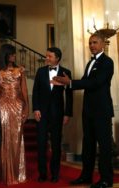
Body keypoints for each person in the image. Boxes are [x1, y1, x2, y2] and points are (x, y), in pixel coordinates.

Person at [52, 33, 114, 188]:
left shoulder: (107, 62)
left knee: (104, 146)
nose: (92, 45)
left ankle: (106, 179)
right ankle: (86, 176)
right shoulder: (90, 63)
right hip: (88, 111)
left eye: (95, 42)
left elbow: (95, 82)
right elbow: (87, 82)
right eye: (90, 43)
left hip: (102, 111)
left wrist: (71, 82)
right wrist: (69, 83)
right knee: (88, 145)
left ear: (102, 44)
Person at [32, 47, 73, 183]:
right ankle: (42, 174)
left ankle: (55, 174)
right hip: (41, 113)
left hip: (58, 114)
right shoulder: (40, 71)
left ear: (57, 58)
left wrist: (67, 113)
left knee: (56, 145)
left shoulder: (65, 72)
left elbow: (69, 95)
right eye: (46, 56)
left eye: (49, 56)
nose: (46, 58)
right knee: (41, 144)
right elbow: (36, 91)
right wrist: (36, 109)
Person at [0, 43, 29, 185]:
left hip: (18, 104)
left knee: (17, 138)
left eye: (14, 54)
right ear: (5, 54)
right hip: (1, 104)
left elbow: (24, 90)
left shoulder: (20, 70)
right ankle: (6, 173)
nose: (14, 56)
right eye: (11, 54)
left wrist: (27, 108)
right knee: (5, 138)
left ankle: (18, 173)